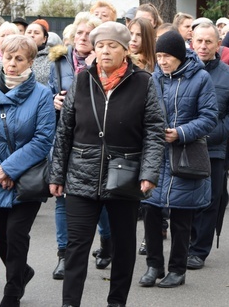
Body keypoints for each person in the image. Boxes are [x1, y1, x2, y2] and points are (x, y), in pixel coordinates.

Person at [49, 21, 165, 306]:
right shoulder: (82, 79)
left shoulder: (143, 81)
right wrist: (57, 174)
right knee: (77, 248)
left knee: (124, 246)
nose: (104, 51)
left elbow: (154, 130)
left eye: (112, 46)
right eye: (100, 46)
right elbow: (65, 130)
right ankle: (69, 303)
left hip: (124, 174)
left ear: (125, 51)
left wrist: (149, 172)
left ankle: (116, 302)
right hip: (81, 173)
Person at [0, 35, 55, 307]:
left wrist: (10, 169)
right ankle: (22, 272)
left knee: (16, 234)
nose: (12, 64)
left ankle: (12, 293)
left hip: (28, 180)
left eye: (19, 59)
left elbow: (43, 139)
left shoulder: (42, 95)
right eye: (8, 57)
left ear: (30, 62)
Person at [140, 30, 217, 287]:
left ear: (180, 56)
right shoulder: (154, 78)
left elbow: (209, 117)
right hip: (155, 155)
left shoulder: (201, 78)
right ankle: (153, 266)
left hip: (185, 155)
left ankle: (177, 270)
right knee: (151, 213)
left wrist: (181, 132)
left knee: (182, 217)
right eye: (159, 56)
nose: (162, 61)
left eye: (167, 56)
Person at [47, 13, 106, 279]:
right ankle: (64, 254)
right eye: (80, 33)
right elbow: (48, 91)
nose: (83, 38)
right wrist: (54, 101)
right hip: (64, 135)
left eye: (89, 34)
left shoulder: (106, 63)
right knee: (62, 194)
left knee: (102, 196)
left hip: (96, 138)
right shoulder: (59, 62)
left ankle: (107, 243)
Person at [186, 22, 229, 270]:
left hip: (213, 149)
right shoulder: (179, 71)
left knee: (210, 200)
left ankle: (199, 250)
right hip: (181, 145)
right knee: (183, 199)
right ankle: (185, 244)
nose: (203, 46)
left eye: (208, 41)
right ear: (191, 42)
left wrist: (215, 134)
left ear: (218, 44)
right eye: (199, 41)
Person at [25, 20, 52, 85]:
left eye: (36, 33)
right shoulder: (14, 54)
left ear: (44, 39)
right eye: (29, 32)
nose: (32, 35)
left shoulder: (52, 58)